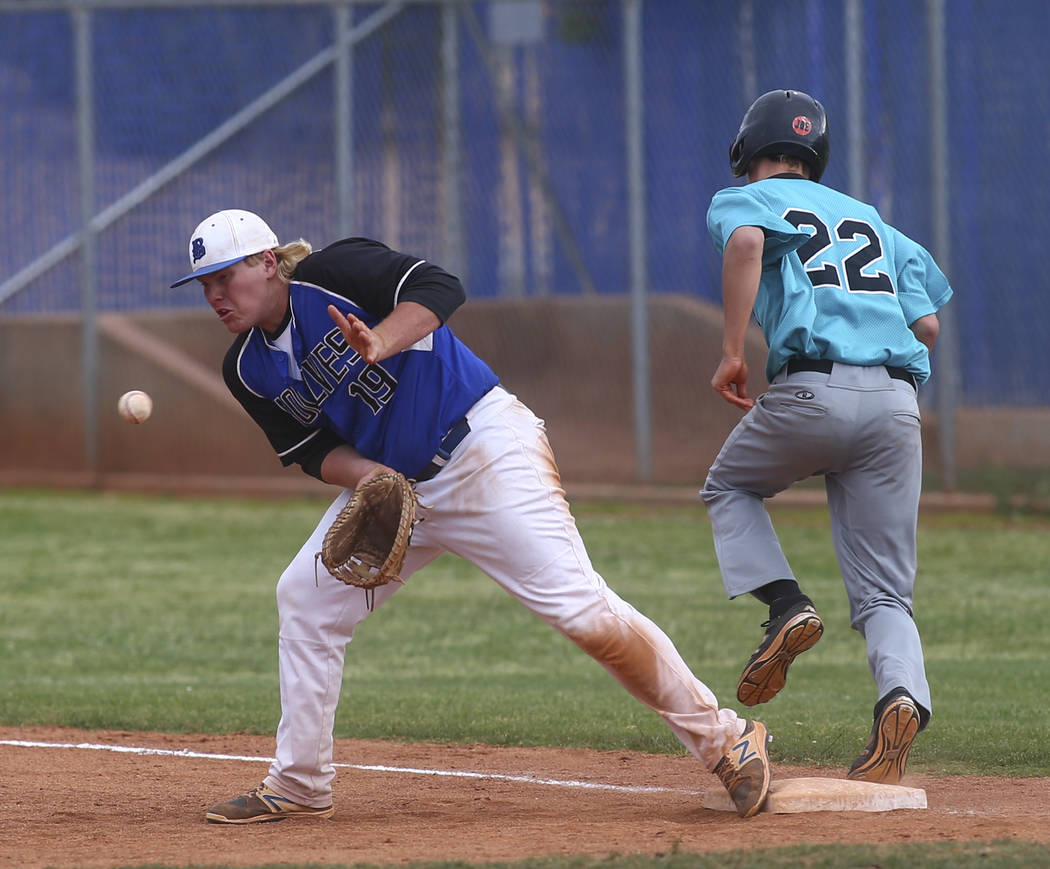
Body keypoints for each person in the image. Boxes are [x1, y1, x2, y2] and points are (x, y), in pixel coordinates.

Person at [170, 208, 773, 821]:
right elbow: (313, 451)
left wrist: (382, 339)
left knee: (581, 610)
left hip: (483, 449)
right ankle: (300, 784)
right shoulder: (244, 367)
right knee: (306, 596)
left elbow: (440, 287)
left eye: (226, 275)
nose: (215, 295)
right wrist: (369, 478)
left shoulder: (334, 272)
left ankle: (727, 741)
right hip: (400, 489)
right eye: (205, 285)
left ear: (269, 262)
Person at [702, 90, 953, 784]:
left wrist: (731, 349)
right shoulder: (871, 219)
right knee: (884, 596)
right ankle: (900, 700)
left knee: (728, 485)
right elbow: (927, 324)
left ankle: (786, 605)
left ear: (749, 152)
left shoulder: (741, 199)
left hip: (812, 387)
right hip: (897, 405)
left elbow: (750, 243)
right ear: (818, 156)